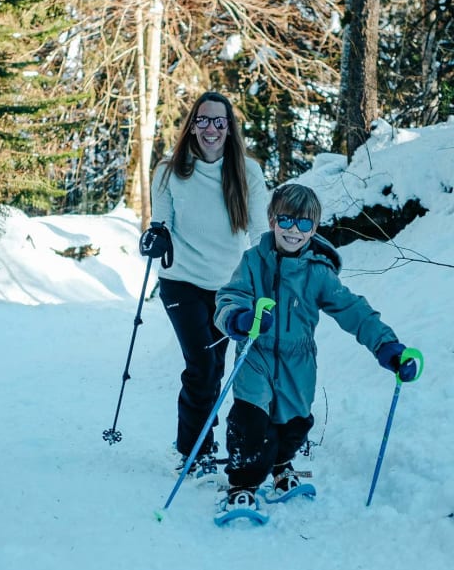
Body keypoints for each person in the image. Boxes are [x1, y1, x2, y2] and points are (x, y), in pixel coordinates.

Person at [213, 183, 420, 517]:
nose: (294, 231)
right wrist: (240, 318)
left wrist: (387, 346)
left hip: (299, 361)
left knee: (294, 424)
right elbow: (229, 297)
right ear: (271, 221)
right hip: (256, 354)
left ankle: (282, 467)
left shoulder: (318, 273)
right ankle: (243, 484)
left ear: (314, 229)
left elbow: (353, 310)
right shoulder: (253, 262)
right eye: (286, 221)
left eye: (304, 224)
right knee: (251, 422)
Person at [140, 91, 269, 475]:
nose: (210, 128)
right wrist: (155, 237)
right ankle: (194, 451)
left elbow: (260, 230)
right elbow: (159, 223)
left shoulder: (247, 172)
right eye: (203, 120)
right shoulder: (169, 170)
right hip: (180, 282)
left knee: (216, 364)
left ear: (229, 128)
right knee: (201, 365)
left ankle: (202, 441)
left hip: (228, 287)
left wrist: (269, 270)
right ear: (192, 125)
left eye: (218, 121)